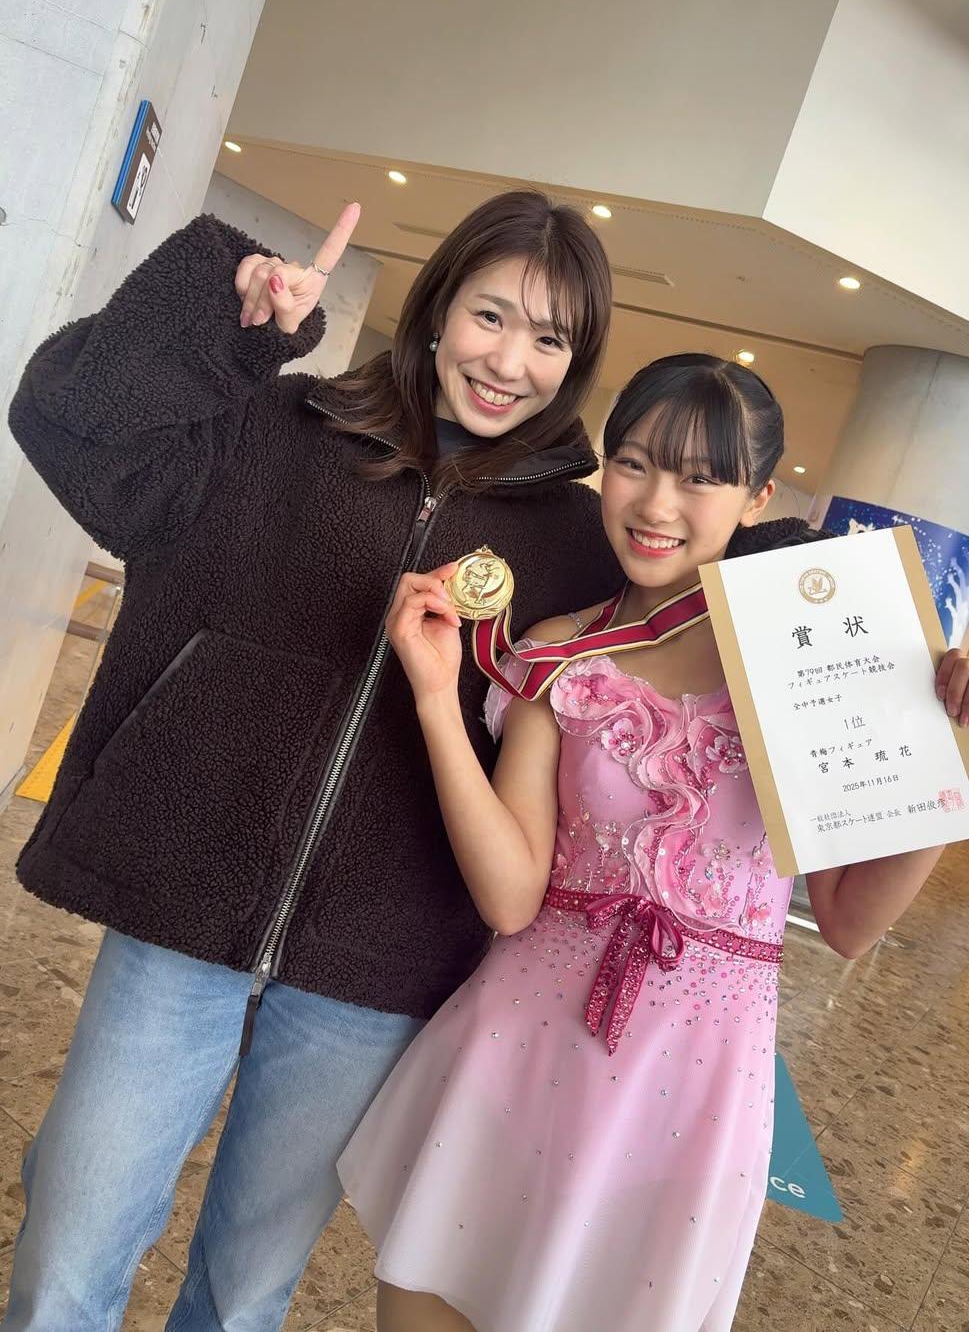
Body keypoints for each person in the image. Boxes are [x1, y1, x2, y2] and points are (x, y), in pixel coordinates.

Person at [3, 191, 622, 1330]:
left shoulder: (579, 548)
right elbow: (67, 421)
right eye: (491, 315)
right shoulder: (274, 425)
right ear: (438, 308)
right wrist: (221, 324)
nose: (509, 362)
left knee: (244, 1295)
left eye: (550, 339)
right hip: (182, 900)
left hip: (378, 963)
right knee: (66, 1255)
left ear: (576, 365)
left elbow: (706, 620)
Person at [337, 353, 969, 1332]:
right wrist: (439, 698)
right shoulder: (562, 648)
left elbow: (849, 921)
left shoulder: (814, 666)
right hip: (518, 1054)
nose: (657, 503)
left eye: (701, 477)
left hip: (690, 1094)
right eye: (635, 463)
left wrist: (954, 769)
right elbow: (510, 896)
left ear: (758, 497)